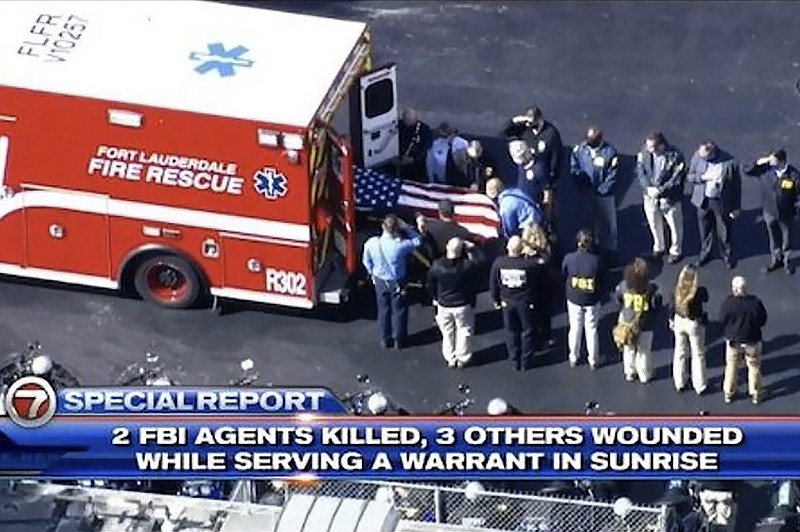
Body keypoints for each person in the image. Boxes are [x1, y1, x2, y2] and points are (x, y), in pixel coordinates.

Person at [362, 214, 424, 350]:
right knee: (399, 310)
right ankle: (399, 339)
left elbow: (366, 261)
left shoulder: (372, 243)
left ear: (383, 226)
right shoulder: (400, 246)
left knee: (383, 310)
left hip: (379, 281)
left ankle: (384, 338)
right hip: (397, 282)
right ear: (396, 229)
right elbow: (418, 240)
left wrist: (372, 273)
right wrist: (407, 227)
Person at [489, 236, 549, 371]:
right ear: (522, 249)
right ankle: (526, 361)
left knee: (511, 330)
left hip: (506, 302)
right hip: (525, 302)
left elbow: (493, 282)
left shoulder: (499, 262)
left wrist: (495, 299)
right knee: (527, 330)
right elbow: (545, 260)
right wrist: (534, 247)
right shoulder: (529, 264)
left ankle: (514, 359)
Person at [427, 237, 483, 369]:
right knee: (464, 331)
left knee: (447, 332)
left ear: (447, 248)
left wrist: (434, 297)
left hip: (444, 303)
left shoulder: (437, 265)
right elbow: (480, 262)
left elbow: (430, 284)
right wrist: (472, 248)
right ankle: (463, 357)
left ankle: (450, 357)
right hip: (462, 304)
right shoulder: (467, 266)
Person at [687, 140, 741, 269]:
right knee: (705, 229)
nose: (701, 157)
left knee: (724, 229)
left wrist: (736, 207)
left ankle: (726, 254)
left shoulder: (729, 163)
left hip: (720, 201)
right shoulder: (698, 156)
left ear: (712, 152)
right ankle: (706, 253)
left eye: (704, 156)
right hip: (703, 200)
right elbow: (690, 176)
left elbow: (736, 187)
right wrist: (703, 177)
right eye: (700, 155)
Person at [745, 149, 800, 274]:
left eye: (773, 161)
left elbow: (799, 196)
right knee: (773, 238)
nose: (770, 163)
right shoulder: (765, 170)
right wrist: (758, 162)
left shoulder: (794, 175)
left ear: (782, 161)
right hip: (769, 212)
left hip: (786, 214)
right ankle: (776, 260)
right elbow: (747, 170)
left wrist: (796, 211)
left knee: (787, 239)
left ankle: (787, 261)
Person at [636, 132, 687, 264]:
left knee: (675, 226)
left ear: (661, 145)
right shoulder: (644, 152)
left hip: (669, 199)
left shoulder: (675, 156)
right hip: (650, 197)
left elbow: (676, 179)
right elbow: (640, 171)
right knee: (653, 223)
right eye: (648, 147)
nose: (649, 150)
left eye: (652, 147)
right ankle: (659, 247)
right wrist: (647, 188)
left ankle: (676, 250)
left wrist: (660, 190)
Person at [569, 126, 620, 258]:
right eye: (588, 142)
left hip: (604, 194)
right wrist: (580, 182)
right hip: (586, 192)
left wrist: (601, 190)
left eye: (592, 144)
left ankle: (609, 250)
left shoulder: (610, 152)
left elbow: (612, 175)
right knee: (587, 219)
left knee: (608, 223)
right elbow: (574, 167)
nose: (589, 146)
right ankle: (589, 245)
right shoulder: (580, 149)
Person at [719, 276, 768, 404]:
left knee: (731, 365)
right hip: (752, 340)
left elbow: (722, 319)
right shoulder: (755, 303)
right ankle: (756, 393)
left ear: (734, 289)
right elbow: (762, 320)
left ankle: (729, 393)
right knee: (754, 366)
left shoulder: (729, 303)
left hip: (734, 341)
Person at [613, 258, 662, 384]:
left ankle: (630, 372)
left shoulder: (624, 286)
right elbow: (657, 306)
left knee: (629, 347)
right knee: (644, 350)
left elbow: (617, 300)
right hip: (645, 324)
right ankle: (645, 375)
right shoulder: (652, 289)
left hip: (627, 321)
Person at [562, 229, 604, 369]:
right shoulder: (596, 261)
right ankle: (593, 360)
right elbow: (602, 280)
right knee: (591, 329)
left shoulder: (569, 258)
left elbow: (564, 273)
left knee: (575, 327)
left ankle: (573, 357)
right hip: (591, 299)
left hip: (574, 297)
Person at [668, 264, 709, 395]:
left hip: (679, 321)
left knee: (679, 351)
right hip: (693, 323)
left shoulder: (675, 290)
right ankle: (700, 385)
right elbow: (706, 298)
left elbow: (671, 307)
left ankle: (679, 382)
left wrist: (671, 320)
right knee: (698, 353)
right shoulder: (698, 292)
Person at [502, 105, 563, 186]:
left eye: (531, 122)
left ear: (539, 119)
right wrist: (515, 120)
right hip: (525, 172)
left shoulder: (551, 133)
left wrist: (552, 178)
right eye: (526, 121)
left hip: (542, 175)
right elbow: (504, 133)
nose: (527, 124)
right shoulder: (524, 128)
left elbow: (556, 156)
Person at [521, 224, 556, 350]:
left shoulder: (522, 255)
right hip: (545, 290)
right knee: (545, 316)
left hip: (529, 291)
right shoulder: (546, 252)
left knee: (531, 318)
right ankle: (545, 338)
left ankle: (533, 340)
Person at [509, 140, 553, 221]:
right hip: (522, 203)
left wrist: (547, 214)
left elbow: (547, 191)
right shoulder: (522, 165)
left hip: (534, 207)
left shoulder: (539, 168)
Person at [397, 107, 433, 182]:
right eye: (406, 121)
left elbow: (426, 147)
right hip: (400, 162)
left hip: (417, 165)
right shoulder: (398, 126)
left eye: (410, 121)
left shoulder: (424, 129)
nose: (408, 123)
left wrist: (414, 159)